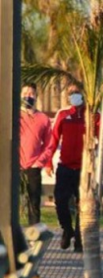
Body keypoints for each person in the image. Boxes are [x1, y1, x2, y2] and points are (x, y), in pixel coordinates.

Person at [46, 84, 99, 253]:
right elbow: (53, 139)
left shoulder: (92, 116)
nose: (73, 95)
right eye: (70, 93)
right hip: (65, 167)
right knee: (60, 201)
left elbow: (100, 138)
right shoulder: (63, 115)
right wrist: (48, 162)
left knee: (82, 205)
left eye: (76, 92)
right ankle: (67, 229)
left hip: (84, 169)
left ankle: (79, 238)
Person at [19, 83, 53, 225]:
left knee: (34, 202)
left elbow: (49, 144)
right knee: (13, 202)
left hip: (34, 166)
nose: (28, 96)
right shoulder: (14, 116)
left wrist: (40, 162)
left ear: (36, 96)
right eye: (25, 93)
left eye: (31, 94)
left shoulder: (43, 119)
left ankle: (33, 233)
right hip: (15, 166)